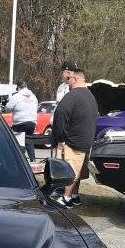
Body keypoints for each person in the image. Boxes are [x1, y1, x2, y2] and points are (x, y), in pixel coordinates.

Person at [50, 67, 98, 207]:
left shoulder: (73, 96)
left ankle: (66, 198)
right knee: (78, 170)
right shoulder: (91, 96)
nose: (68, 82)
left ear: (75, 79)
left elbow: (60, 117)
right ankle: (75, 195)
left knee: (70, 171)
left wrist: (60, 139)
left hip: (72, 141)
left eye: (69, 79)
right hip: (86, 141)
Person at [5, 81, 39, 162]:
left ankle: (18, 159)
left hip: (20, 122)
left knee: (16, 140)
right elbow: (36, 107)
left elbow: (7, 108)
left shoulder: (16, 96)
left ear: (19, 88)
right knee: (29, 140)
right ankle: (33, 159)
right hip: (32, 122)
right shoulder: (34, 96)